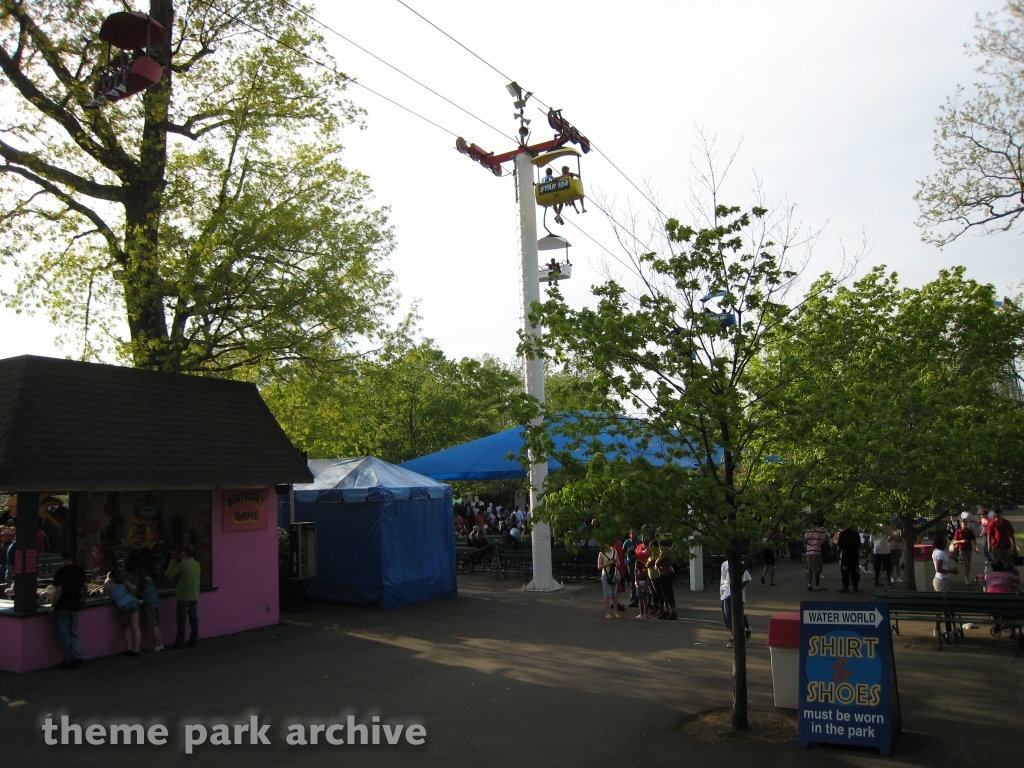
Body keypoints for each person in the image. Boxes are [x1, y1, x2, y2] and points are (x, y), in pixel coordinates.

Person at [50, 549, 87, 669]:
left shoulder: (60, 572)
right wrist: (83, 600)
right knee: (73, 631)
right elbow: (85, 586)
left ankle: (67, 657)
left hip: (62, 605)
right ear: (72, 556)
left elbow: (58, 591)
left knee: (64, 633)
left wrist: (52, 605)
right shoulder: (79, 570)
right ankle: (77, 655)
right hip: (75, 604)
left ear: (62, 557)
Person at [104, 568, 141, 656]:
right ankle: (137, 650)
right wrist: (131, 594)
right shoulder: (124, 583)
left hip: (123, 605)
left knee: (126, 627)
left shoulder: (107, 584)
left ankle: (129, 649)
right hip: (133, 602)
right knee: (136, 627)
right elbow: (134, 587)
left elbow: (109, 595)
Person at [169, 545, 200, 649]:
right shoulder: (197, 564)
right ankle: (193, 640)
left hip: (183, 596)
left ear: (185, 554)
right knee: (194, 620)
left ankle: (180, 642)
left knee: (181, 621)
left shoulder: (183, 564)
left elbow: (171, 575)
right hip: (194, 595)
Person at [931, 534, 958, 641]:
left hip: (940, 579)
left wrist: (949, 569)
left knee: (939, 606)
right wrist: (950, 571)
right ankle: (948, 630)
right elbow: (939, 569)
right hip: (941, 580)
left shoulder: (936, 552)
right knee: (946, 607)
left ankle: (937, 630)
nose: (946, 542)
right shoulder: (941, 554)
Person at [720, 559, 751, 648]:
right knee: (728, 616)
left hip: (734, 594)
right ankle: (745, 628)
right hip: (725, 593)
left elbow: (746, 579)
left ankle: (735, 638)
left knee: (733, 615)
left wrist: (736, 590)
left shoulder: (739, 564)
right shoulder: (724, 564)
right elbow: (723, 579)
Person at [137, 565, 164, 651]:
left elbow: (137, 595)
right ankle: (160, 643)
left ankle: (156, 645)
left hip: (149, 604)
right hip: (156, 601)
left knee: (153, 625)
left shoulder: (138, 582)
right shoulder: (150, 580)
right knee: (156, 624)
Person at [803, 518, 830, 591]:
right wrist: (819, 543)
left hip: (809, 551)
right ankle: (817, 585)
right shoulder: (821, 531)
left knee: (810, 568)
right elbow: (824, 542)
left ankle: (809, 584)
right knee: (817, 568)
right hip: (817, 551)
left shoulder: (808, 530)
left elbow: (805, 541)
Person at [653, 542, 677, 620]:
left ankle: (672, 612)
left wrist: (656, 565)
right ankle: (666, 610)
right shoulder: (670, 551)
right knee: (666, 593)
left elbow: (657, 562)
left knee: (667, 593)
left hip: (665, 574)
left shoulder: (664, 552)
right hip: (667, 573)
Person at [952, 518, 979, 586]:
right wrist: (961, 541)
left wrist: (976, 547)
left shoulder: (969, 531)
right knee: (966, 563)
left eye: (966, 523)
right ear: (961, 524)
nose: (965, 524)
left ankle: (967, 575)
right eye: (964, 523)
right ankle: (967, 579)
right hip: (962, 549)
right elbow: (954, 541)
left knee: (968, 564)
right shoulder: (958, 531)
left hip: (969, 549)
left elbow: (974, 541)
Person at [597, 544, 621, 619]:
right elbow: (599, 566)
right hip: (605, 575)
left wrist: (616, 563)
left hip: (614, 574)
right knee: (607, 594)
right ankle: (607, 613)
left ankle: (616, 612)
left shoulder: (615, 552)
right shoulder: (601, 553)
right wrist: (609, 563)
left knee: (614, 594)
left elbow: (618, 562)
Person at [836, 526, 861, 593]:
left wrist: (838, 554)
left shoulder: (842, 534)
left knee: (844, 570)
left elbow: (840, 545)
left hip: (846, 554)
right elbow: (859, 544)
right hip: (854, 554)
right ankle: (855, 586)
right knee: (855, 570)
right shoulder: (856, 533)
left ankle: (845, 586)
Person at [623, 530, 639, 607]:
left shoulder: (639, 542)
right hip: (630, 562)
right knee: (632, 580)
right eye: (632, 534)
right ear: (629, 535)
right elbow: (623, 551)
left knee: (639, 579)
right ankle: (633, 599)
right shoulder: (627, 542)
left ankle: (639, 598)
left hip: (638, 562)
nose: (633, 535)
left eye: (634, 534)